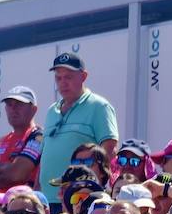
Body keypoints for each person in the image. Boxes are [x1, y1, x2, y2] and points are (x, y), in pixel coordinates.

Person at [37, 53, 119, 205]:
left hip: (79, 199)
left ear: (83, 76)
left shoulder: (99, 106)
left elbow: (109, 149)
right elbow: (44, 156)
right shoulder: (51, 111)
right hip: (48, 200)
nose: (62, 83)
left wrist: (92, 187)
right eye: (58, 78)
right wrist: (38, 192)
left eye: (68, 77)